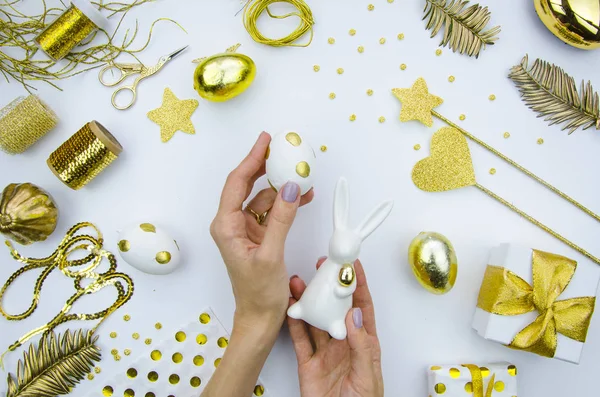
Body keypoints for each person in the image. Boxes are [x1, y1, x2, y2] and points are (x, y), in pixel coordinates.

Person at [202, 132, 384, 397]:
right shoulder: (334, 266)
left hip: (334, 321)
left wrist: (258, 319)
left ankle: (318, 317)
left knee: (331, 311)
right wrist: (261, 317)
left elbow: (345, 289)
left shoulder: (343, 268)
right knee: (306, 299)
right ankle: (300, 309)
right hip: (305, 310)